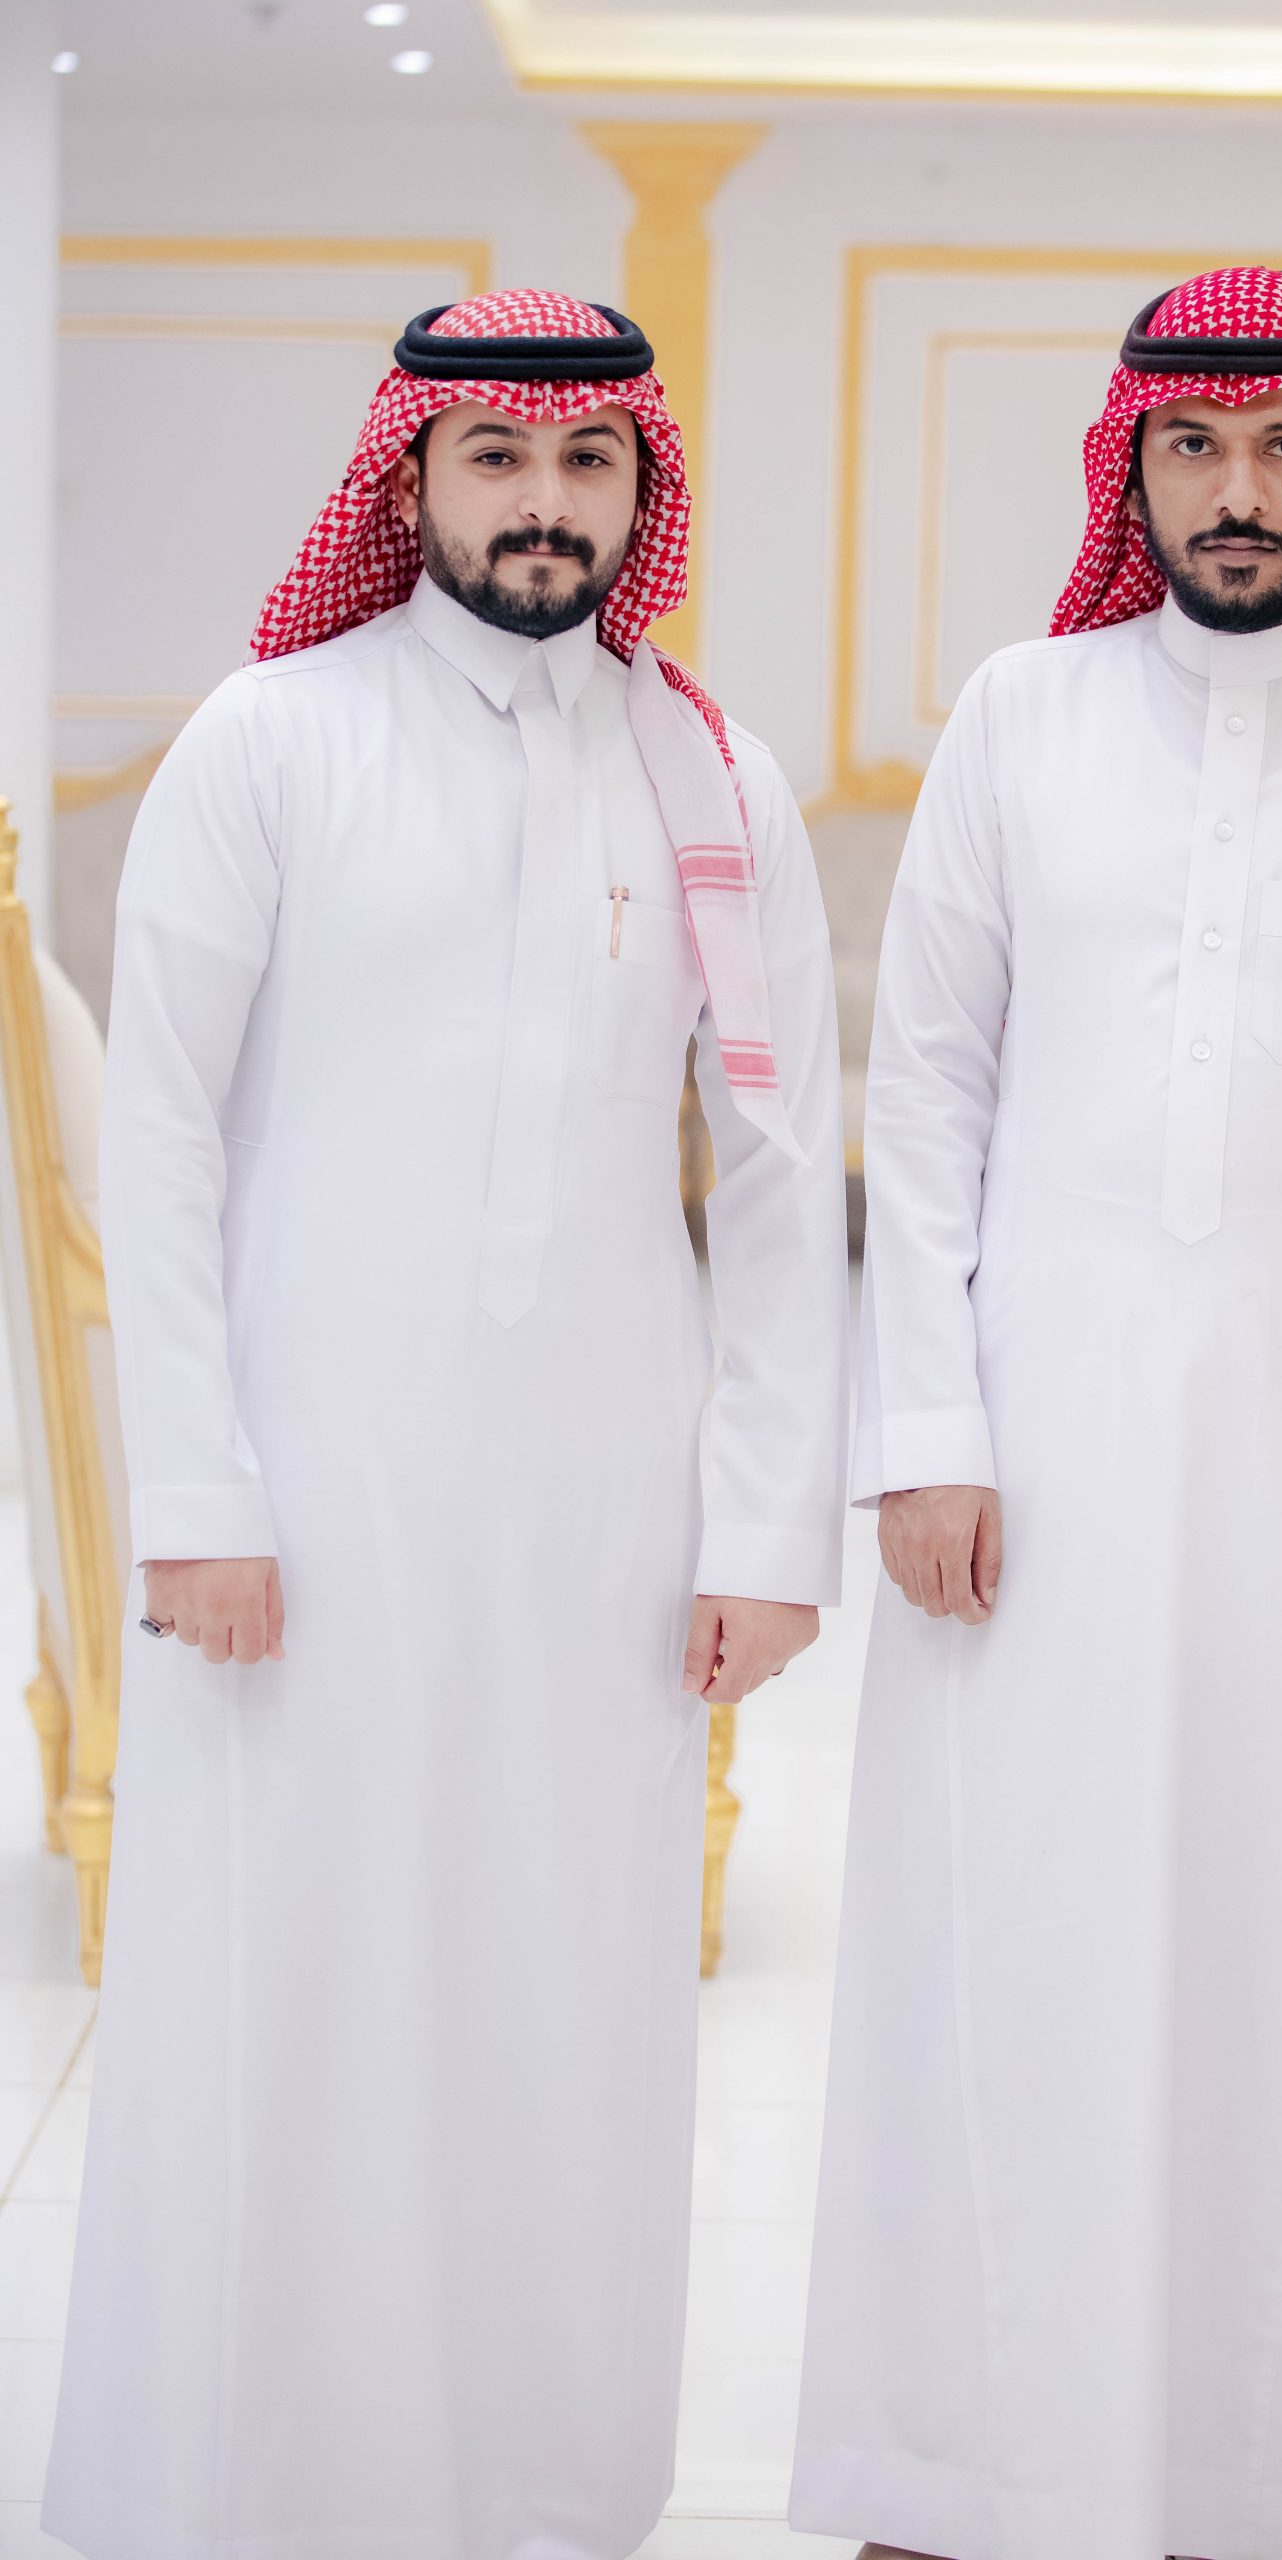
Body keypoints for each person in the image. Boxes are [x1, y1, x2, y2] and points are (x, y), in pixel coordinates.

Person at [791, 266, 1282, 2560]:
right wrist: (924, 1428)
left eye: (1280, 446)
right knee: (1009, 1946)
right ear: (1128, 465)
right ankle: (974, 2467)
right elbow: (921, 1090)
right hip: (1031, 1470)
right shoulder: (1015, 716)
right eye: (1192, 445)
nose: (1234, 489)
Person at [43, 291, 847, 2560]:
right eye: (496, 458)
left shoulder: (712, 778)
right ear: (409, 478)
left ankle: (533, 2496)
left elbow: (783, 1168)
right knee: (289, 1982)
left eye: (587, 464)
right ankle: (251, 2489)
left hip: (603, 1510)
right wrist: (196, 1493)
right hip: (306, 1493)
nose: (542, 505)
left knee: (563, 1997)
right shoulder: (268, 741)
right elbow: (158, 1142)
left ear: (638, 489)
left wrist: (764, 1524)